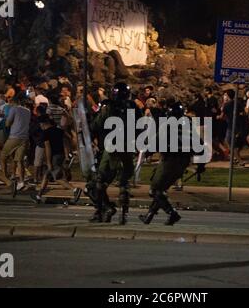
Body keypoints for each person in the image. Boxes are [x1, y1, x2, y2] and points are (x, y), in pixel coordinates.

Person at [139, 99, 205, 226]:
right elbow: (200, 145)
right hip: (183, 163)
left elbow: (155, 142)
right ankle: (149, 216)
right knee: (161, 191)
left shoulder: (168, 125)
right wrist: (201, 165)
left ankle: (172, 213)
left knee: (155, 191)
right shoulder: (189, 126)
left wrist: (146, 152)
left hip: (169, 161)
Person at [87, 82, 141, 225]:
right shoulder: (134, 107)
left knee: (98, 183)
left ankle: (102, 210)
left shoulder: (108, 107)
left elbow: (95, 125)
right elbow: (142, 127)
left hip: (111, 147)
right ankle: (123, 215)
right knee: (124, 184)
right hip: (128, 148)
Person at [31, 115, 82, 204]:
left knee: (57, 177)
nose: (40, 126)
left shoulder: (45, 133)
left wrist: (48, 162)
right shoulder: (59, 131)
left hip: (53, 157)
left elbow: (48, 148)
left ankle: (74, 189)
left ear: (43, 124)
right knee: (46, 175)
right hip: (60, 155)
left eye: (40, 125)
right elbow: (66, 140)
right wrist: (67, 154)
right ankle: (39, 195)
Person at [0, 94, 31, 195]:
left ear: (13, 102)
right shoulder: (28, 111)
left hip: (14, 137)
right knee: (19, 160)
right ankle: (21, 182)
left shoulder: (13, 109)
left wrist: (6, 119)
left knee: (2, 157)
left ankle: (5, 180)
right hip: (24, 138)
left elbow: (8, 123)